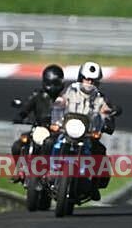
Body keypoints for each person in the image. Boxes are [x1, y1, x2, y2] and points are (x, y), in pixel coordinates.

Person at [47, 61, 119, 199]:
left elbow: (106, 111)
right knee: (49, 142)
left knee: (99, 151)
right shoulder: (70, 91)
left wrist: (108, 115)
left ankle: (93, 186)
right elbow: (60, 103)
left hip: (87, 134)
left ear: (97, 82)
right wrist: (55, 117)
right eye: (86, 79)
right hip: (66, 131)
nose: (88, 82)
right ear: (81, 78)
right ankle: (44, 173)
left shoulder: (100, 98)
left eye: (92, 80)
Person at [11, 64, 65, 172]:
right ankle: (20, 170)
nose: (52, 87)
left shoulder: (66, 98)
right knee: (17, 145)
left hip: (58, 132)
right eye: (50, 84)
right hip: (39, 128)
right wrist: (20, 116)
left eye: (55, 84)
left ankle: (47, 169)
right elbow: (26, 107)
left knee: (50, 143)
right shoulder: (37, 96)